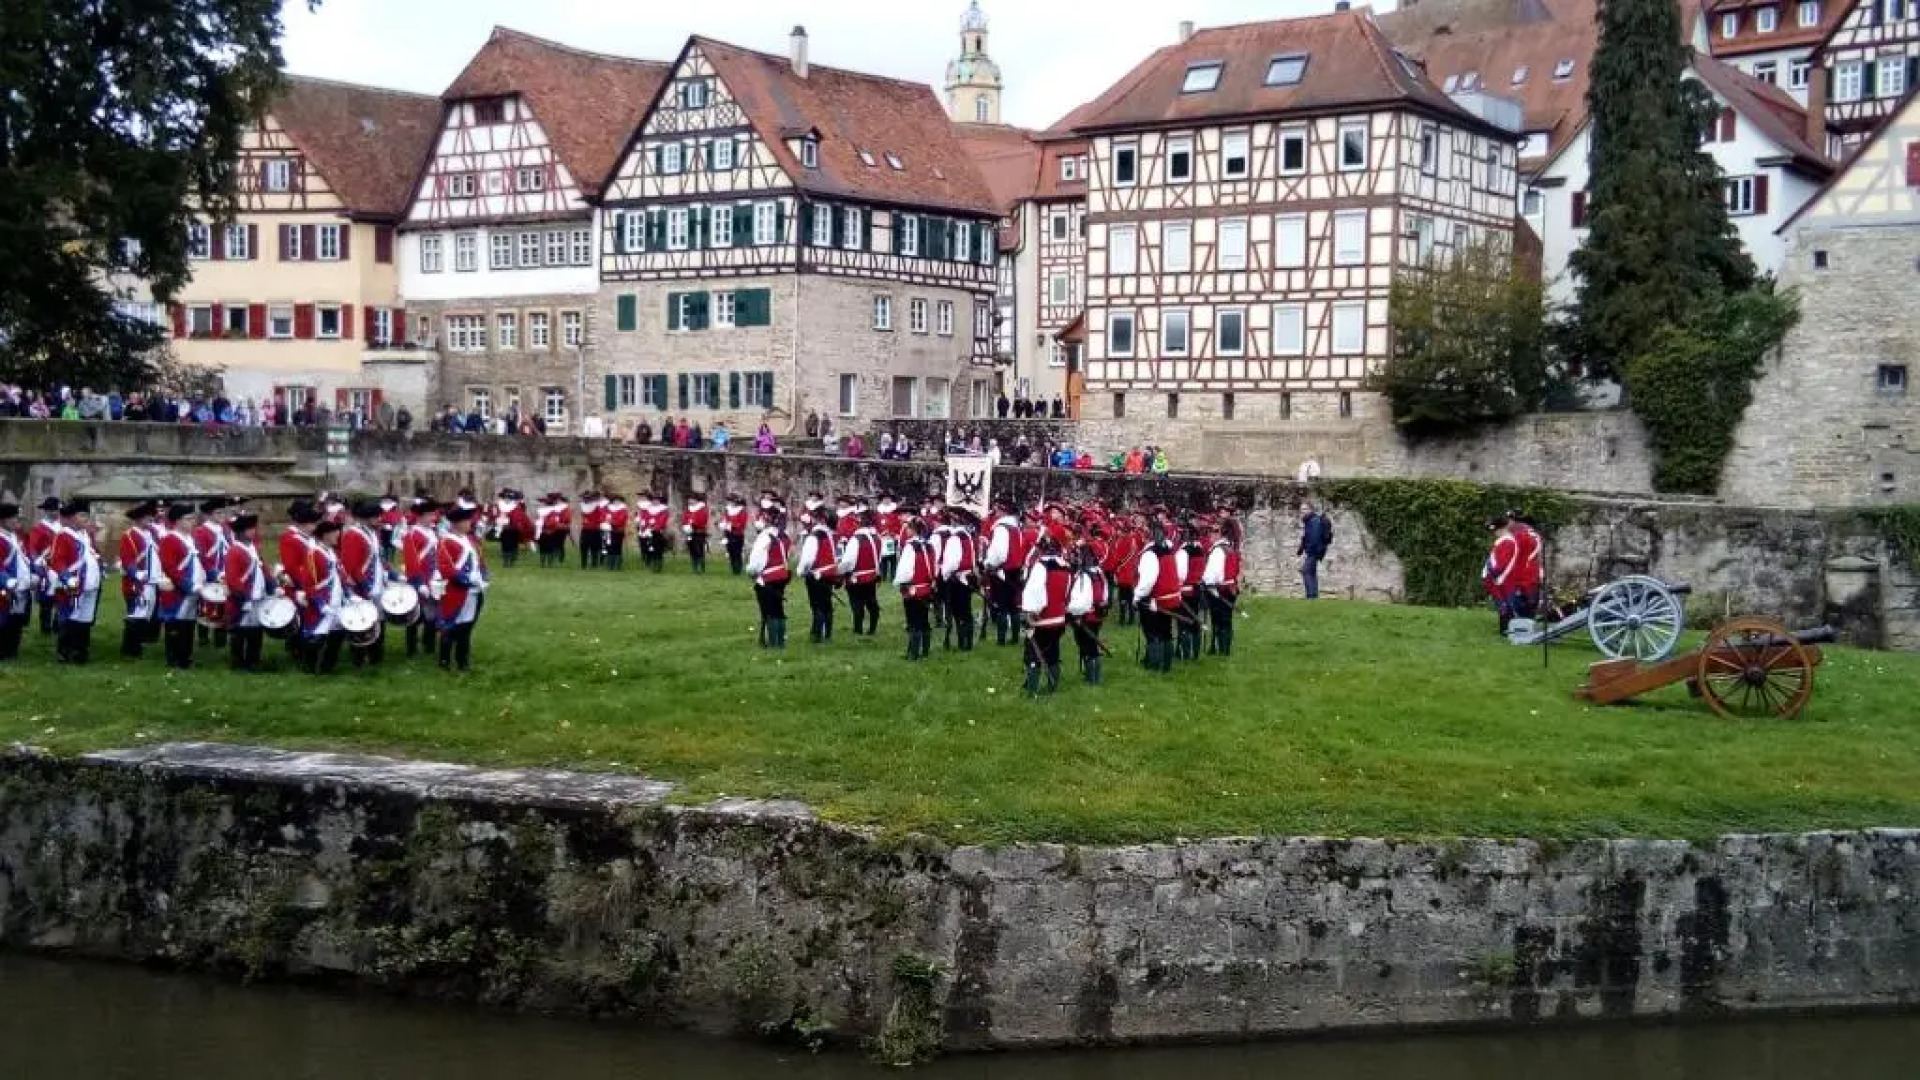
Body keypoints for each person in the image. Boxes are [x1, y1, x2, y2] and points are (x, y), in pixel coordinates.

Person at [47, 500, 102, 664]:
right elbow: (57, 560)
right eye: (82, 515)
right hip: (74, 584)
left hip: (90, 585)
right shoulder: (64, 535)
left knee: (85, 619)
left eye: (87, 515)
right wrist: (67, 578)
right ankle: (65, 653)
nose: (86, 518)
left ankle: (80, 652)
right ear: (72, 517)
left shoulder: (85, 535)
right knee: (70, 618)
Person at [435, 503, 488, 672]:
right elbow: (446, 568)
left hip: (473, 591)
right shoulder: (447, 542)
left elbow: (478, 560)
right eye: (466, 521)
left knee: (467, 627)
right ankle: (444, 661)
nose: (470, 524)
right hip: (457, 591)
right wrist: (467, 579)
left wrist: (483, 576)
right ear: (457, 523)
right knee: (451, 627)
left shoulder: (469, 540)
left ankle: (462, 661)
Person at [1020, 535, 1072, 696]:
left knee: (1032, 654)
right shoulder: (1066, 568)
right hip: (1059, 619)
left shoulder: (1041, 566)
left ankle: (1032, 691)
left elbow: (1035, 591)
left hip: (1042, 619)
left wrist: (1030, 613)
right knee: (1053, 652)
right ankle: (1052, 687)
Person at [155, 503, 203, 670]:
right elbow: (170, 567)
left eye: (193, 518)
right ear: (177, 521)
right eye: (188, 519)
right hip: (177, 590)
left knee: (188, 624)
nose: (192, 522)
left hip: (194, 588)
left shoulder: (191, 539)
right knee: (175, 623)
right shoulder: (169, 539)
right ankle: (174, 659)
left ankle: (186, 657)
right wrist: (187, 584)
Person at [1133, 520, 1185, 674]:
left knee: (1153, 633)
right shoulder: (1169, 551)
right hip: (1170, 598)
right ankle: (1166, 665)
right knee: (1166, 632)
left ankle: (1154, 666)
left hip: (1156, 599)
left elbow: (1148, 580)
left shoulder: (1151, 553)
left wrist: (1137, 596)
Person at [342, 500, 389, 668]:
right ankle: (359, 659)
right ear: (366, 517)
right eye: (376, 516)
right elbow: (352, 566)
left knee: (379, 621)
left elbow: (379, 559)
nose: (379, 518)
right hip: (363, 587)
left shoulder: (371, 533)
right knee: (362, 623)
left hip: (377, 584)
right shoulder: (353, 534)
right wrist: (365, 587)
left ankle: (376, 656)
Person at [222, 513, 269, 672]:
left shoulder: (252, 549)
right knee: (240, 631)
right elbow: (233, 579)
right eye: (249, 529)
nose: (253, 532)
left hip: (257, 596)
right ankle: (238, 662)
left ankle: (253, 660)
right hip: (242, 599)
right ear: (241, 532)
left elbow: (263, 569)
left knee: (256, 631)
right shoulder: (235, 551)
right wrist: (243, 597)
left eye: (253, 528)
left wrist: (272, 586)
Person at [982, 498, 1027, 648]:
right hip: (1015, 570)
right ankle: (1014, 637)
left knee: (1002, 606)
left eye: (997, 510)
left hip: (1002, 570)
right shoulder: (1017, 527)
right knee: (1013, 606)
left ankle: (1001, 639)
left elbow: (999, 553)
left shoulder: (1001, 528)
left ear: (1002, 511)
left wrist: (988, 564)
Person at [118, 501, 161, 658]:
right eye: (147, 518)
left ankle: (139, 644)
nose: (150, 521)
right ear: (138, 519)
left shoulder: (153, 535)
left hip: (152, 581)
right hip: (137, 583)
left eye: (151, 518)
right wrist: (136, 574)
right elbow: (127, 559)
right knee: (136, 614)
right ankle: (130, 649)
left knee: (146, 614)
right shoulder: (129, 536)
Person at [893, 515, 938, 661]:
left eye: (908, 528)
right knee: (924, 620)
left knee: (913, 622)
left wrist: (900, 583)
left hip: (914, 589)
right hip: (927, 588)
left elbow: (905, 570)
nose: (906, 531)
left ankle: (913, 653)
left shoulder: (910, 546)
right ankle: (925, 650)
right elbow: (934, 566)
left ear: (913, 529)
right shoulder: (929, 545)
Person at [747, 503, 791, 649]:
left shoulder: (765, 537)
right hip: (780, 576)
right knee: (778, 610)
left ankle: (773, 643)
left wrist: (752, 572)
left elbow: (757, 562)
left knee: (770, 611)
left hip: (768, 578)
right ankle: (780, 642)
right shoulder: (779, 537)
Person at [401, 499, 440, 659]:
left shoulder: (432, 532)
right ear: (421, 516)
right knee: (415, 616)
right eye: (430, 515)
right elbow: (411, 561)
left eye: (433, 514)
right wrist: (419, 582)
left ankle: (429, 644)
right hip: (419, 580)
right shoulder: (411, 534)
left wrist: (438, 572)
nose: (433, 518)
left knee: (434, 612)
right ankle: (411, 649)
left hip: (435, 578)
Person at [1067, 539, 1109, 684]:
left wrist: (1071, 611)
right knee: (1091, 644)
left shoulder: (1085, 576)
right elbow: (1105, 596)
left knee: (1086, 645)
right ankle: (1093, 675)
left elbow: (1081, 601)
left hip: (1086, 615)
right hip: (1097, 615)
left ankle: (1092, 678)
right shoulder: (1099, 573)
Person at [193, 498, 233, 650]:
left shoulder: (225, 530)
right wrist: (213, 573)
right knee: (206, 604)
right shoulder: (201, 531)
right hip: (208, 573)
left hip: (225, 572)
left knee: (223, 605)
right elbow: (202, 555)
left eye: (223, 512)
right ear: (209, 515)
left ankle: (220, 640)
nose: (222, 515)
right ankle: (203, 637)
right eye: (218, 512)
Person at [798, 509, 841, 643]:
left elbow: (808, 560)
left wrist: (801, 571)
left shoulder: (814, 536)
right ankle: (827, 634)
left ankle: (817, 634)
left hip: (817, 574)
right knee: (826, 604)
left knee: (817, 605)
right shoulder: (834, 535)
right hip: (830, 573)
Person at [939, 508, 979, 651]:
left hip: (957, 578)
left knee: (958, 612)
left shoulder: (955, 538)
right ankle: (967, 641)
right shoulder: (968, 536)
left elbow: (952, 562)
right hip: (967, 576)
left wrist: (944, 574)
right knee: (966, 610)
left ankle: (963, 642)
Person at [1202, 515, 1243, 656]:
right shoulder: (1230, 548)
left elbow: (1212, 574)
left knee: (1219, 620)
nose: (1210, 535)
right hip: (1230, 589)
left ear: (1220, 533)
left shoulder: (1219, 550)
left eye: (1213, 532)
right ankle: (1222, 649)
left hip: (1219, 589)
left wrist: (1205, 583)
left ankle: (1222, 650)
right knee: (1225, 620)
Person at [838, 508, 882, 636]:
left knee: (857, 605)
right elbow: (878, 557)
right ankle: (872, 628)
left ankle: (858, 630)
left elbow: (849, 562)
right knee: (871, 602)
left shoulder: (856, 539)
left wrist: (839, 572)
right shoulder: (877, 537)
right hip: (872, 576)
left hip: (857, 578)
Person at [0, 503, 31, 661]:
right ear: (4, 520)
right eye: (13, 518)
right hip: (7, 586)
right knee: (4, 619)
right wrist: (9, 582)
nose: (16, 521)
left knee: (16, 619)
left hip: (20, 587)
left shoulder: (14, 537)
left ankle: (12, 650)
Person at [1483, 517, 1524, 636]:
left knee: (1505, 604)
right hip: (1500, 579)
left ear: (1502, 529)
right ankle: (1505, 630)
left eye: (1496, 530)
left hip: (1502, 579)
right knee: (1503, 604)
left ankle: (1506, 631)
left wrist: (1493, 574)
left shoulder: (1507, 542)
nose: (1495, 533)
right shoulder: (1504, 541)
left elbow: (1501, 564)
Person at [27, 497, 62, 636]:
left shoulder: (62, 526)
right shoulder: (39, 528)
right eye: (54, 510)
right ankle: (45, 626)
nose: (56, 512)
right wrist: (37, 564)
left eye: (57, 510)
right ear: (47, 511)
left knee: (61, 595)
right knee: (46, 598)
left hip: (60, 565)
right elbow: (33, 548)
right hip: (46, 566)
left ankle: (58, 624)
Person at [1177, 521, 1208, 663]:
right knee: (1195, 620)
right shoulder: (1200, 550)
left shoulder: (1184, 552)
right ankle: (1194, 654)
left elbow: (1181, 574)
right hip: (1197, 590)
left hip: (1185, 591)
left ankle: (1185, 654)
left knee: (1184, 622)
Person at [1297, 501, 1333, 600]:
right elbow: (1307, 537)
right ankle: (1314, 597)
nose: (1302, 512)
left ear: (1310, 510)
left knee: (1306, 571)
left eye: (1304, 509)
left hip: (1314, 551)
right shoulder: (1310, 521)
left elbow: (1314, 538)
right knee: (1311, 572)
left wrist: (1308, 551)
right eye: (1301, 510)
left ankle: (1311, 596)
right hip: (1315, 551)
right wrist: (1301, 549)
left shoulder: (1313, 521)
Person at [682, 492, 711, 573]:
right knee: (692, 550)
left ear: (696, 500)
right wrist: (685, 525)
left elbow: (703, 520)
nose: (690, 501)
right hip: (690, 532)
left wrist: (693, 524)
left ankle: (701, 566)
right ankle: (695, 566)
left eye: (692, 499)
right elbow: (685, 518)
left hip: (699, 532)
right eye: (689, 499)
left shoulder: (703, 509)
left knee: (699, 549)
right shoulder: (689, 509)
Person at [721, 494, 749, 575]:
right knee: (730, 552)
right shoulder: (728, 510)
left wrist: (731, 525)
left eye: (731, 501)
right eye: (729, 501)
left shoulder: (742, 511)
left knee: (737, 552)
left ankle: (738, 570)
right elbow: (725, 519)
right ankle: (734, 569)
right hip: (728, 533)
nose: (729, 503)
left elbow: (742, 524)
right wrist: (723, 524)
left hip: (737, 534)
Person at [605, 495, 630, 571]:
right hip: (610, 530)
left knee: (617, 547)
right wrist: (607, 521)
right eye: (615, 501)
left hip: (618, 531)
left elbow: (621, 520)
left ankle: (618, 565)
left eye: (618, 501)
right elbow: (606, 517)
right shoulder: (609, 509)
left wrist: (611, 522)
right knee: (610, 547)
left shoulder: (623, 510)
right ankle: (610, 565)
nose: (616, 502)